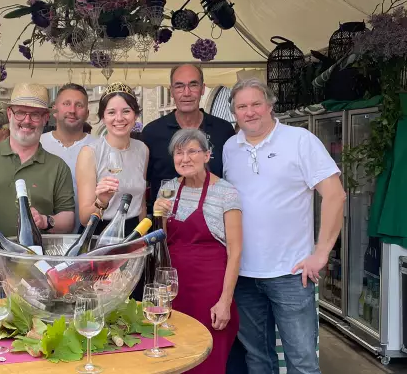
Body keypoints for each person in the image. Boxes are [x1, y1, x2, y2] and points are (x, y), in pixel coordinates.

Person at [223, 79, 345, 374]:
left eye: (256, 104)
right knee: (258, 359)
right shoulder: (230, 147)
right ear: (234, 113)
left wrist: (321, 253)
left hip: (291, 274)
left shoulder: (299, 140)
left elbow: (335, 195)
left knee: (302, 361)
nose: (250, 112)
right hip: (244, 275)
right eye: (242, 106)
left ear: (270, 105)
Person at [154, 129, 242, 373]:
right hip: (173, 290)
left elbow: (235, 252)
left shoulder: (226, 192)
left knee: (208, 360)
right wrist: (157, 214)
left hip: (210, 291)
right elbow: (162, 243)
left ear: (207, 155)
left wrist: (225, 301)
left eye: (192, 151)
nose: (185, 158)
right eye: (179, 153)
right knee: (173, 356)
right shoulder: (168, 190)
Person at [0, 83, 75, 273]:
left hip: (35, 272)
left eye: (35, 114)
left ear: (45, 119)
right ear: (10, 114)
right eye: (20, 113)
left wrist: (45, 221)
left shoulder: (58, 167)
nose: (27, 121)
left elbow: (68, 219)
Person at [142, 64, 235, 212]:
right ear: (171, 91)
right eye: (179, 86)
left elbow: (232, 180)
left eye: (193, 85)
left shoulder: (223, 130)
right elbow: (140, 184)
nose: (186, 93)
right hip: (167, 226)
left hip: (215, 224)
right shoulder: (151, 133)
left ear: (203, 88)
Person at [76, 82, 148, 234]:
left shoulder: (142, 149)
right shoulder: (90, 153)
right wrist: (101, 201)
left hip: (133, 232)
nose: (119, 118)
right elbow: (84, 218)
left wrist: (142, 238)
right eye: (111, 112)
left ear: (135, 115)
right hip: (99, 231)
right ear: (103, 117)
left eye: (126, 111)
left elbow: (141, 204)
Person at [41, 83, 96, 232]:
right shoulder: (39, 144)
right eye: (66, 104)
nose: (72, 110)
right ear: (55, 110)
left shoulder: (99, 147)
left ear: (87, 113)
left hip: (89, 235)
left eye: (79, 105)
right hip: (46, 236)